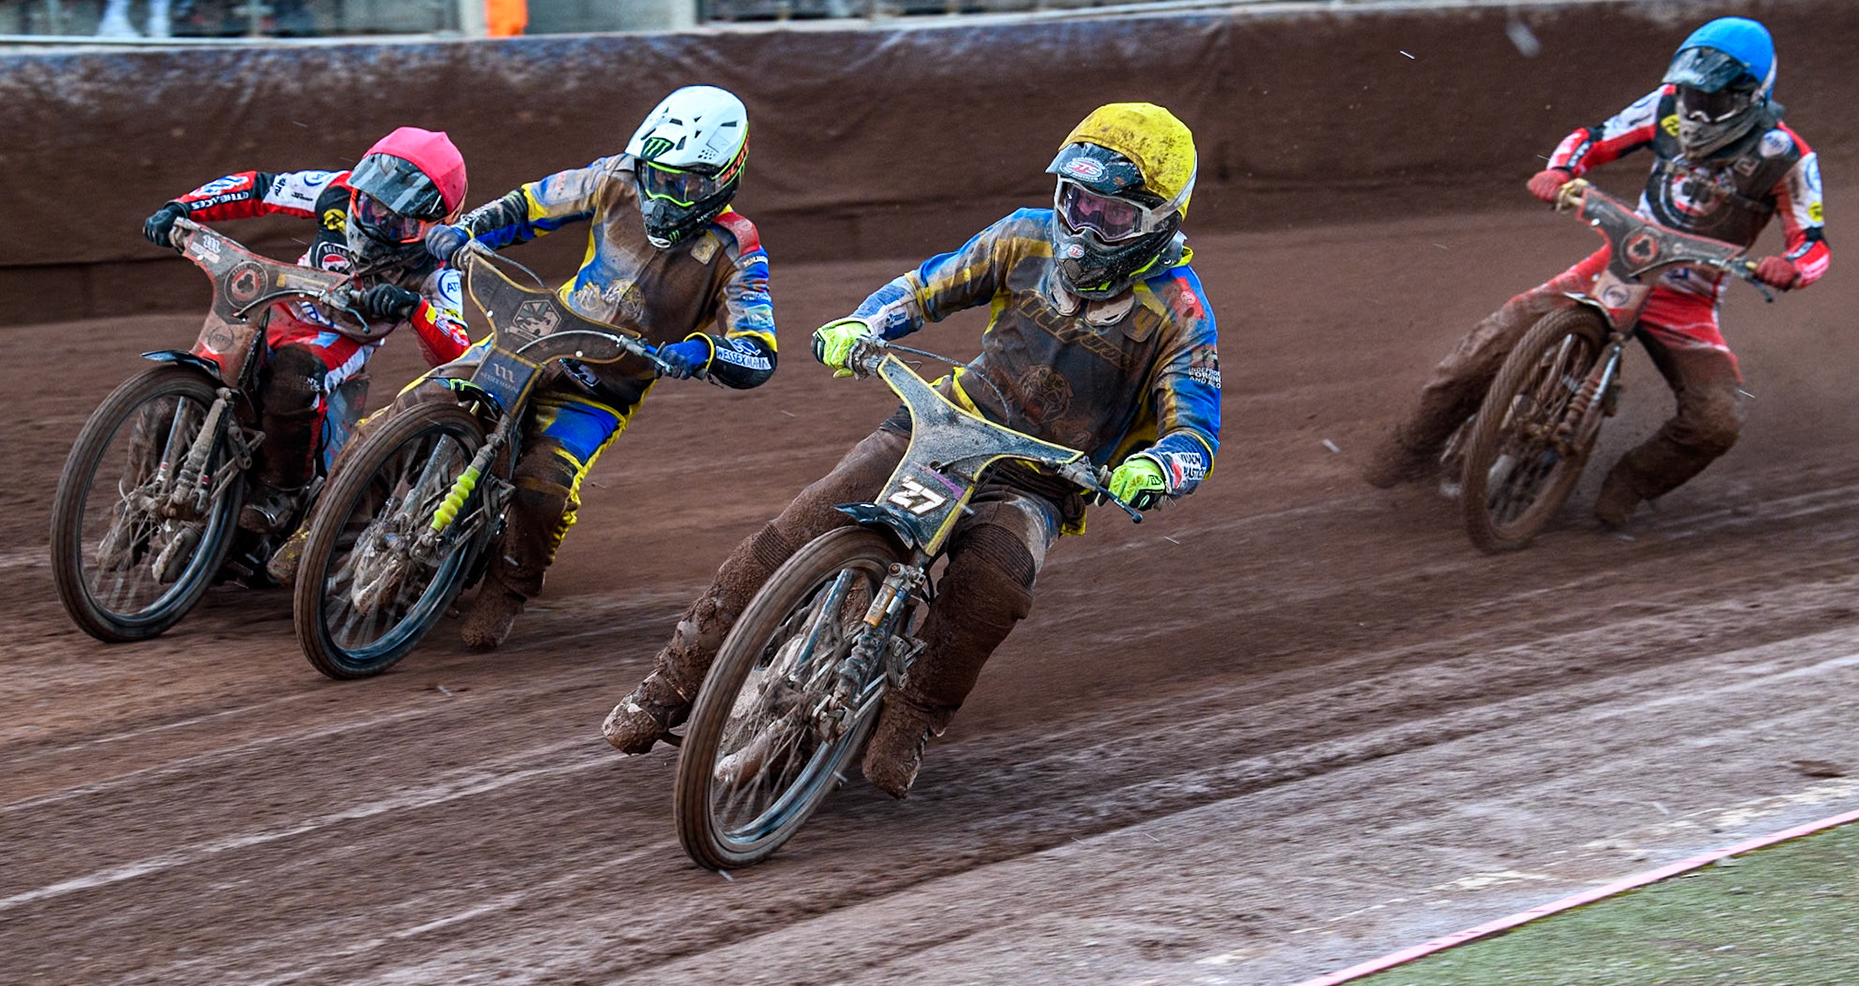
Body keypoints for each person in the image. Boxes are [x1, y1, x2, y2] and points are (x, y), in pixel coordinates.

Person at [602, 102, 1222, 798]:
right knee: (803, 523)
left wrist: (1157, 468)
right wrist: (864, 323)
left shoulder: (1181, 312)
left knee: (990, 585)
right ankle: (667, 687)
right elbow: (933, 284)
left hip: (1041, 478)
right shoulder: (1025, 237)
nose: (1082, 228)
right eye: (1074, 201)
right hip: (945, 419)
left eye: (1108, 216)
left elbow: (1194, 428)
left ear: (1159, 220)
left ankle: (913, 718)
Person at [1363, 17, 1829, 529]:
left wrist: (1790, 268)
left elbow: (1812, 244)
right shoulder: (1666, 105)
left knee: (1716, 421)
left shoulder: (1786, 158)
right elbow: (1595, 137)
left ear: (1748, 96)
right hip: (1621, 262)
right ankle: (1407, 451)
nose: (1695, 108)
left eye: (1712, 99)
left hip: (1687, 297)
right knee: (1487, 345)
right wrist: (1560, 170)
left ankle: (1626, 486)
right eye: (1691, 93)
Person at [417, 85, 776, 652]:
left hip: (603, 386)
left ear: (723, 177)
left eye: (684, 184)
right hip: (539, 333)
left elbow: (759, 349)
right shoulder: (618, 176)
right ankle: (327, 528)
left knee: (544, 482)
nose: (663, 193)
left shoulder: (737, 246)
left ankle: (509, 587)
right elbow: (533, 203)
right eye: (658, 176)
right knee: (421, 402)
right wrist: (467, 230)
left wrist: (705, 353)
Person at [141, 128, 472, 537]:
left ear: (438, 224)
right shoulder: (334, 189)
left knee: (295, 377)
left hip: (341, 338)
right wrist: (182, 206)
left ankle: (283, 491)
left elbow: (458, 351)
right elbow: (260, 188)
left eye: (400, 221)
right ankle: (141, 497)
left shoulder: (440, 265)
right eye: (370, 207)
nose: (380, 223)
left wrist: (415, 307)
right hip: (277, 304)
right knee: (176, 394)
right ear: (359, 187)